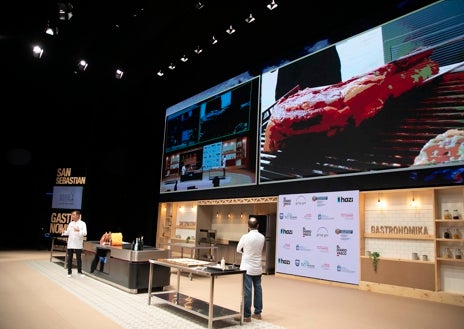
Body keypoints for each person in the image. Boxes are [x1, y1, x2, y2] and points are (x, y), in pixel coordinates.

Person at [236, 217, 265, 322]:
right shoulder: (262, 237)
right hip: (257, 267)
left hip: (247, 268)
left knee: (247, 291)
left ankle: (246, 315)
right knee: (258, 289)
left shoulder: (245, 237)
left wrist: (245, 252)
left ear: (248, 227)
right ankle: (258, 313)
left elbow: (238, 249)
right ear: (258, 226)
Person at [59, 210, 87, 278]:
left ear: (78, 215)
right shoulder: (71, 223)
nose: (72, 216)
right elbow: (68, 232)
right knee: (69, 258)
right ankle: (69, 272)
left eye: (73, 215)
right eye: (72, 215)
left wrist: (79, 230)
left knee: (78, 258)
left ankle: (79, 272)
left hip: (78, 243)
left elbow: (85, 233)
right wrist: (63, 231)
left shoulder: (83, 223)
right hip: (71, 243)